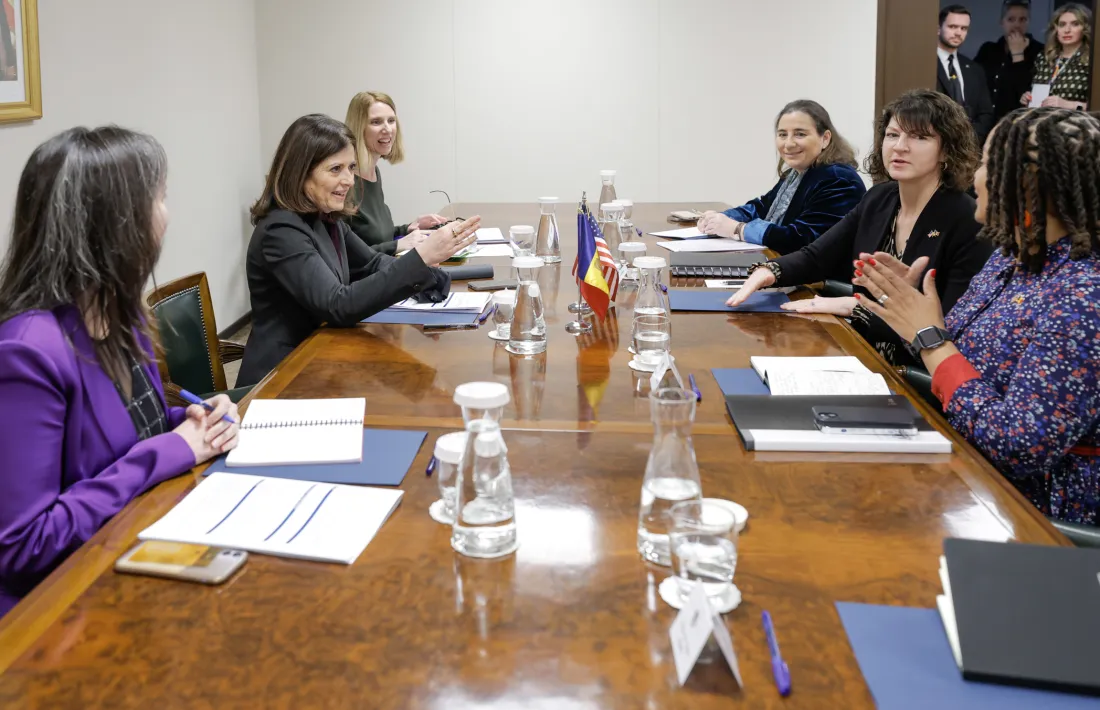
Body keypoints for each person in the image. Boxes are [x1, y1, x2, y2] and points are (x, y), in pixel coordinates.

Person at [0, 127, 240, 617]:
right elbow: (24, 544)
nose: (168, 215)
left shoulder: (121, 311)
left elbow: (132, 429)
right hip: (57, 611)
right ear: (118, 223)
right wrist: (169, 450)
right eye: (161, 198)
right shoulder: (27, 352)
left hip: (135, 542)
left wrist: (192, 419)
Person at [853, 108, 1100, 526]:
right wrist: (909, 308)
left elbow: (1017, 445)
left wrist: (931, 339)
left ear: (1028, 186)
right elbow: (961, 362)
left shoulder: (1083, 295)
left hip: (1028, 515)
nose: (975, 177)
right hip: (962, 472)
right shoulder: (1012, 258)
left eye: (987, 163)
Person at [728, 90, 993, 367]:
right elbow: (817, 256)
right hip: (860, 353)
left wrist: (855, 308)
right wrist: (768, 272)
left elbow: (950, 327)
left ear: (947, 150)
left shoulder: (966, 219)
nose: (900, 146)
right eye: (892, 135)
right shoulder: (880, 198)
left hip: (915, 372)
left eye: (919, 137)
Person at [237, 114, 481, 387]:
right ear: (300, 172)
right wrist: (422, 257)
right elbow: (338, 305)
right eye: (335, 169)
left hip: (322, 359)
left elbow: (372, 263)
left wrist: (432, 273)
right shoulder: (281, 230)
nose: (349, 179)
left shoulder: (324, 217)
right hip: (281, 378)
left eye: (350, 167)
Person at [696, 100, 866, 255]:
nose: (789, 144)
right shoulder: (796, 173)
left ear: (825, 138)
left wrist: (736, 229)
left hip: (817, 284)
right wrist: (720, 219)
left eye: (800, 134)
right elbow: (761, 207)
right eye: (783, 134)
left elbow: (800, 239)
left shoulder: (838, 179)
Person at [344, 91, 446, 256]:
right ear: (359, 127)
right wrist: (397, 245)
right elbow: (346, 257)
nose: (387, 129)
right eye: (376, 122)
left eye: (391, 121)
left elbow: (376, 236)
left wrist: (410, 228)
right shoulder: (345, 182)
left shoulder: (373, 172)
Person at [975, 0, 1044, 124]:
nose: (1017, 25)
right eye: (1011, 19)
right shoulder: (988, 49)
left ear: (1029, 22)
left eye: (1022, 20)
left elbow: (1029, 94)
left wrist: (1018, 55)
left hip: (1018, 124)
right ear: (1002, 22)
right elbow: (975, 85)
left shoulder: (1040, 51)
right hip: (985, 123)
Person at [935, 4, 995, 143]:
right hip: (935, 142)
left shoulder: (975, 69)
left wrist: (967, 138)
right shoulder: (926, 63)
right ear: (938, 28)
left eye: (964, 28)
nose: (958, 33)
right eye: (952, 27)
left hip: (967, 146)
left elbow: (985, 113)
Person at [1021, 3, 1092, 111]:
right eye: (1062, 24)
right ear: (1055, 29)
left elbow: (1096, 107)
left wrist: (1069, 105)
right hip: (1041, 120)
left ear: (1085, 28)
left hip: (1075, 124)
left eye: (1075, 24)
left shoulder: (1092, 59)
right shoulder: (1044, 57)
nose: (1067, 30)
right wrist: (1028, 99)